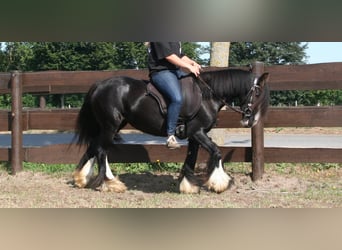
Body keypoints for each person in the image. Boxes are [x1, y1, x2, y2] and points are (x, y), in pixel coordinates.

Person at [147, 42, 202, 149]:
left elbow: (180, 56)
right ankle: (171, 135)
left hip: (176, 71)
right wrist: (188, 67)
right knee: (176, 98)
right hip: (161, 72)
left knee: (197, 86)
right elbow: (169, 56)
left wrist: (193, 63)